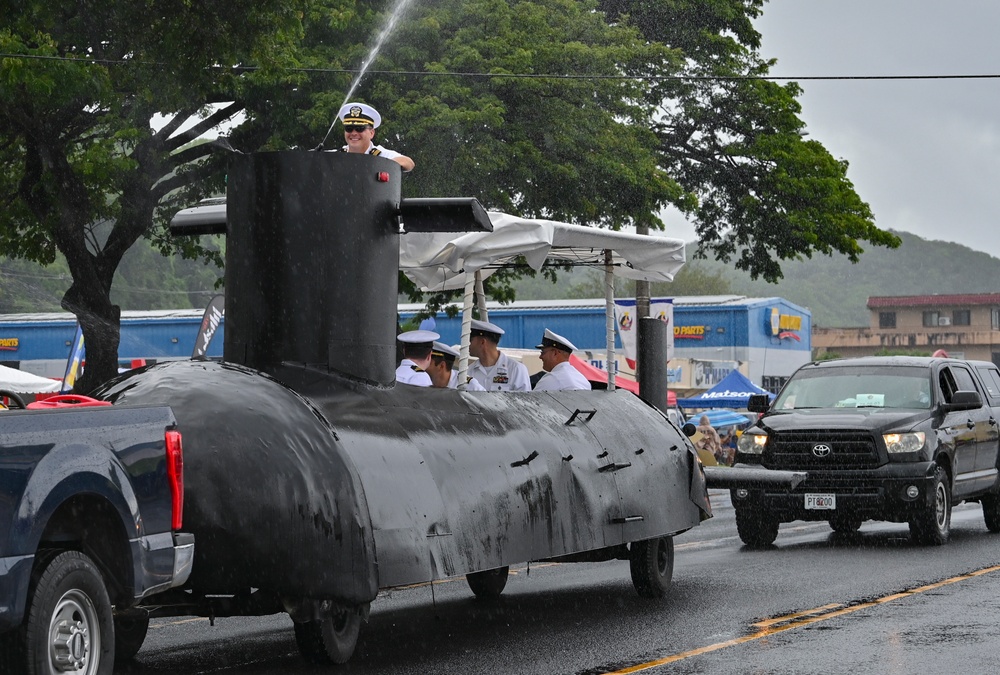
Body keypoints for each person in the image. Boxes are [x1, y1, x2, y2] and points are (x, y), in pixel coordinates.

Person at [337, 102, 415, 172]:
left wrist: (379, 167)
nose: (354, 133)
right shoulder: (335, 156)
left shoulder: (380, 155)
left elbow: (408, 162)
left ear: (372, 133)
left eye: (359, 129)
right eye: (349, 129)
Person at [467, 319, 531, 392]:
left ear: (482, 342)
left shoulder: (516, 369)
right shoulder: (469, 372)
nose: (468, 344)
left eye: (470, 340)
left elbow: (525, 401)